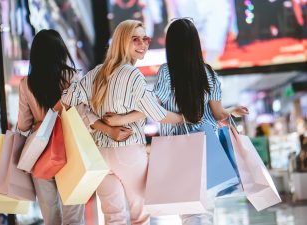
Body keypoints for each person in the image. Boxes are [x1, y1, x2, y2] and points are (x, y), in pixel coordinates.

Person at [103, 18, 249, 225]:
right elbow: (218, 114)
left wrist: (121, 119)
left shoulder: (166, 71)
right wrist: (231, 111)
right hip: (208, 145)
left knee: (189, 210)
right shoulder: (208, 73)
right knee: (206, 210)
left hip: (177, 148)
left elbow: (151, 106)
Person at [61, 20, 183, 225]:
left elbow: (66, 100)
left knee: (113, 217)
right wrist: (183, 118)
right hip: (128, 151)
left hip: (99, 153)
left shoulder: (96, 72)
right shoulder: (133, 74)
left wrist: (103, 126)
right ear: (121, 41)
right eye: (135, 39)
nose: (143, 44)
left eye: (146, 39)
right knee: (140, 216)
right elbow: (157, 113)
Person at [17, 29, 131, 225]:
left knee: (51, 218)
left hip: (40, 153)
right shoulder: (71, 77)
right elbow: (84, 114)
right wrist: (108, 129)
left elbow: (23, 124)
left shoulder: (26, 84)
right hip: (71, 150)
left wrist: (40, 122)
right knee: (73, 218)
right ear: (60, 51)